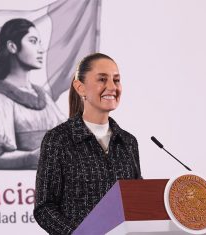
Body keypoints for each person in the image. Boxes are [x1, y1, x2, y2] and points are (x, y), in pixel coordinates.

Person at [34, 53, 142, 234]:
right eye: (102, 79)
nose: (112, 87)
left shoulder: (128, 142)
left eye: (116, 80)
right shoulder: (58, 139)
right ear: (80, 87)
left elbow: (137, 200)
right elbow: (44, 208)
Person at [0, 18, 65, 170]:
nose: (40, 49)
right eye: (33, 41)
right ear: (12, 46)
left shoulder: (43, 96)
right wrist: (31, 158)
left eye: (40, 42)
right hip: (16, 188)